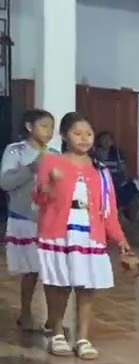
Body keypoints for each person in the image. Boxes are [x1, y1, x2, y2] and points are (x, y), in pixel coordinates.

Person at [32, 112, 134, 359]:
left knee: (87, 287)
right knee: (58, 284)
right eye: (77, 133)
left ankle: (83, 337)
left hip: (90, 234)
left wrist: (120, 239)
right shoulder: (51, 162)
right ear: (64, 135)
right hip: (58, 232)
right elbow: (39, 198)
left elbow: (108, 210)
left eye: (88, 133)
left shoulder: (100, 170)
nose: (84, 138)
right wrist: (50, 185)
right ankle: (57, 333)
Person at [2, 108, 55, 331]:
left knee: (52, 269)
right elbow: (5, 183)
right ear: (29, 127)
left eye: (51, 127)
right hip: (24, 217)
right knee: (31, 269)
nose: (49, 131)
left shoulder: (54, 153)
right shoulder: (16, 151)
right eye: (44, 126)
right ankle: (25, 312)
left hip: (49, 219)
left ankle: (54, 318)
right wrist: (32, 168)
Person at [92, 131, 139, 221]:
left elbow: (123, 170)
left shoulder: (117, 153)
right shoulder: (94, 154)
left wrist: (123, 172)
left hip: (118, 182)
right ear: (99, 141)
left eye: (109, 139)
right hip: (103, 183)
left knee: (133, 195)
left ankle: (134, 219)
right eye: (104, 139)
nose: (106, 141)